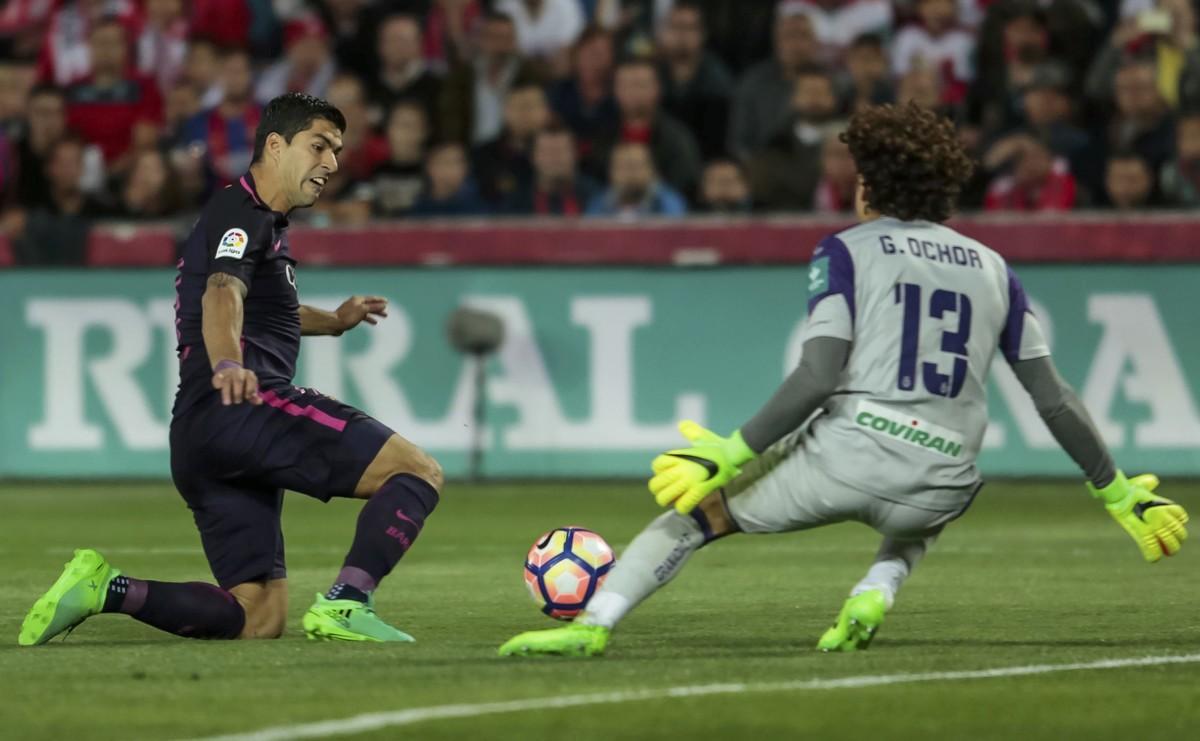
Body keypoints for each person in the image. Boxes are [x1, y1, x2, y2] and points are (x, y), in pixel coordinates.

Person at [498, 102, 1190, 658]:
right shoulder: (993, 268)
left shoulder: (845, 251)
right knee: (927, 510)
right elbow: (1053, 397)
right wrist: (1116, 489)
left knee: (694, 516)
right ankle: (876, 589)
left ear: (871, 185)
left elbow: (817, 376)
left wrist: (731, 451)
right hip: (942, 476)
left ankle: (594, 622)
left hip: (850, 453)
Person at [19, 93, 445, 646]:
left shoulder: (255, 222)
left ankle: (107, 589)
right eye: (319, 146)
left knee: (258, 618)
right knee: (415, 472)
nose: (332, 164)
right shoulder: (241, 213)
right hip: (243, 407)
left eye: (338, 151)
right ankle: (347, 603)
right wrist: (228, 362)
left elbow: (261, 308)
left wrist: (334, 321)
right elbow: (222, 294)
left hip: (200, 435)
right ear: (275, 144)